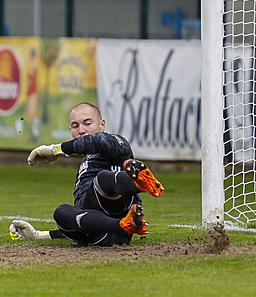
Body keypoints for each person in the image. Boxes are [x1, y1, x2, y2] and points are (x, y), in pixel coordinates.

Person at [9, 102, 164, 246]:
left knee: (102, 178)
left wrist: (56, 149)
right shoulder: (86, 165)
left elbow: (97, 141)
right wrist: (39, 235)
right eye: (75, 126)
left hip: (118, 207)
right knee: (61, 212)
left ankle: (140, 183)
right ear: (70, 130)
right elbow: (81, 219)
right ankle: (125, 225)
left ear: (102, 125)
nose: (81, 130)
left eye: (87, 123)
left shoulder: (115, 143)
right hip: (100, 235)